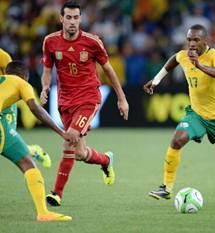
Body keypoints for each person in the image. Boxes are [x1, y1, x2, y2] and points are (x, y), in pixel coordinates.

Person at [143, 24, 215, 206]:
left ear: (205, 41)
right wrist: (156, 80)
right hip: (197, 115)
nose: (191, 43)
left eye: (196, 40)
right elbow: (172, 61)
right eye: (189, 40)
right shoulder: (184, 56)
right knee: (177, 140)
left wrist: (198, 65)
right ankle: (166, 188)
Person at [40, 0, 129, 206]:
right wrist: (45, 87)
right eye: (68, 17)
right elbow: (47, 69)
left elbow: (109, 70)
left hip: (88, 98)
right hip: (65, 101)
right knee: (79, 153)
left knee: (70, 138)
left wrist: (121, 98)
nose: (72, 22)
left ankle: (56, 193)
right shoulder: (50, 42)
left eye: (76, 18)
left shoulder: (92, 42)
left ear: (81, 19)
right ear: (61, 19)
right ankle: (106, 161)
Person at [0, 61, 77, 221]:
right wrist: (61, 132)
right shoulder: (22, 83)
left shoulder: (3, 81)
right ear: (24, 76)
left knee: (25, 158)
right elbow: (36, 109)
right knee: (28, 164)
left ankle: (43, 212)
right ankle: (43, 213)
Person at [0, 48, 52, 168]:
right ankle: (32, 151)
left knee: (7, 140)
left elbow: (12, 81)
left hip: (5, 102)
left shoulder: (3, 56)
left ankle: (29, 152)